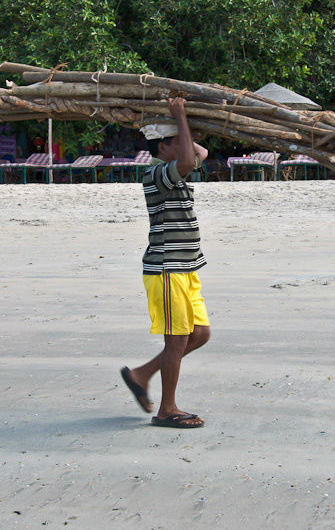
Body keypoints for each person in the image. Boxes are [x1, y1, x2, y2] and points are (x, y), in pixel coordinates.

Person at [121, 97, 211, 429]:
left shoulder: (176, 169)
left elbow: (199, 154)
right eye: (177, 141)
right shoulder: (157, 174)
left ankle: (141, 374)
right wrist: (180, 116)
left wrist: (180, 125)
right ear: (163, 147)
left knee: (199, 334)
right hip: (166, 269)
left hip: (185, 267)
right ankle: (166, 409)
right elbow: (190, 159)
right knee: (176, 339)